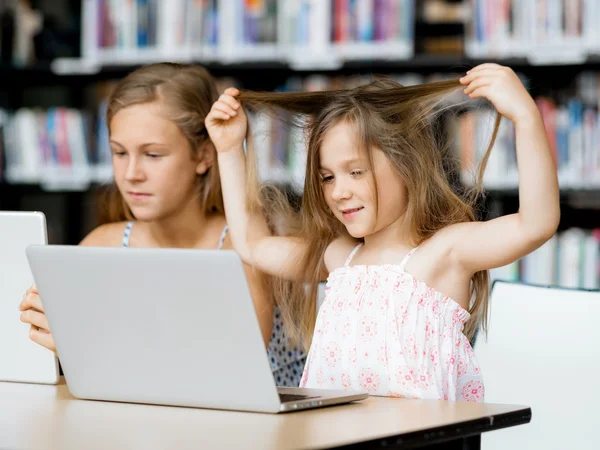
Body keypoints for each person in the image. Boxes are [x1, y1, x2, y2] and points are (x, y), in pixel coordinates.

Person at [205, 63, 560, 401]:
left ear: (406, 163)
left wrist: (525, 117)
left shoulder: (445, 252)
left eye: (355, 172)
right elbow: (251, 244)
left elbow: (536, 224)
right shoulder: (339, 258)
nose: (338, 192)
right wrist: (229, 149)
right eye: (327, 177)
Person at [19, 62, 306, 387]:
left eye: (153, 155)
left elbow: (225, 375)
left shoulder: (245, 248)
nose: (131, 174)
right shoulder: (101, 247)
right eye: (119, 153)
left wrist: (83, 345)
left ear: (203, 156)